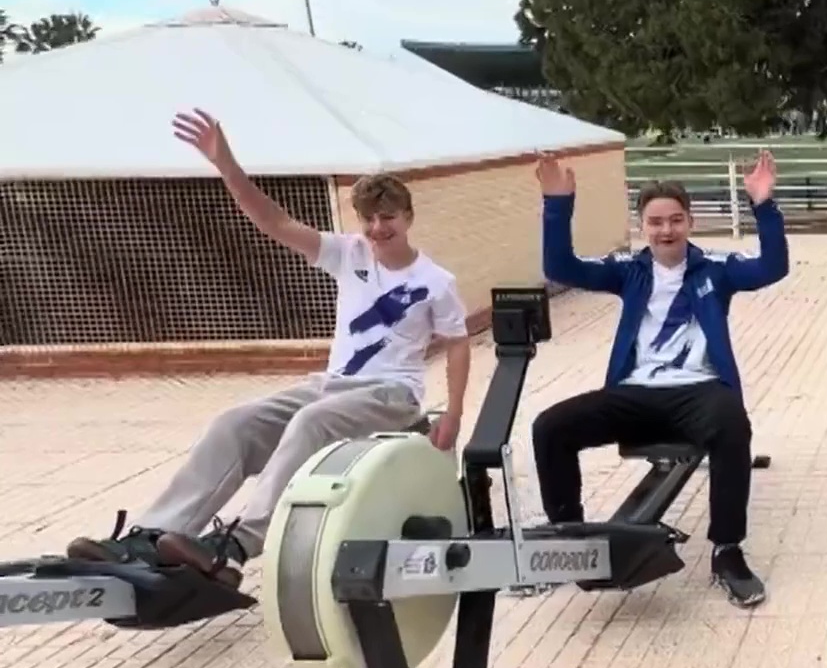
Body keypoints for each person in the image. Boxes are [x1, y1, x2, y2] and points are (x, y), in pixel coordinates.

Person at [66, 109, 472, 585]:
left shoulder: (435, 282)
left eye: (388, 218)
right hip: (332, 387)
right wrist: (225, 163)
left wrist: (454, 416)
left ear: (407, 217)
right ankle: (153, 537)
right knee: (234, 424)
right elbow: (273, 221)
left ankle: (236, 544)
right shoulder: (350, 254)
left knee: (311, 421)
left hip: (391, 397)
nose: (378, 228)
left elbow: (459, 344)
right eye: (369, 219)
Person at [529, 151, 788, 608]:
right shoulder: (627, 270)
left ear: (689, 221)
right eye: (655, 222)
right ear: (642, 226)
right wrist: (556, 204)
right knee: (550, 426)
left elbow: (773, 267)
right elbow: (561, 267)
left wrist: (764, 205)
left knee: (732, 424)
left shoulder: (717, 270)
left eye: (675, 220)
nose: (666, 230)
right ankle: (568, 539)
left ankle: (727, 551)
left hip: (699, 391)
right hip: (634, 394)